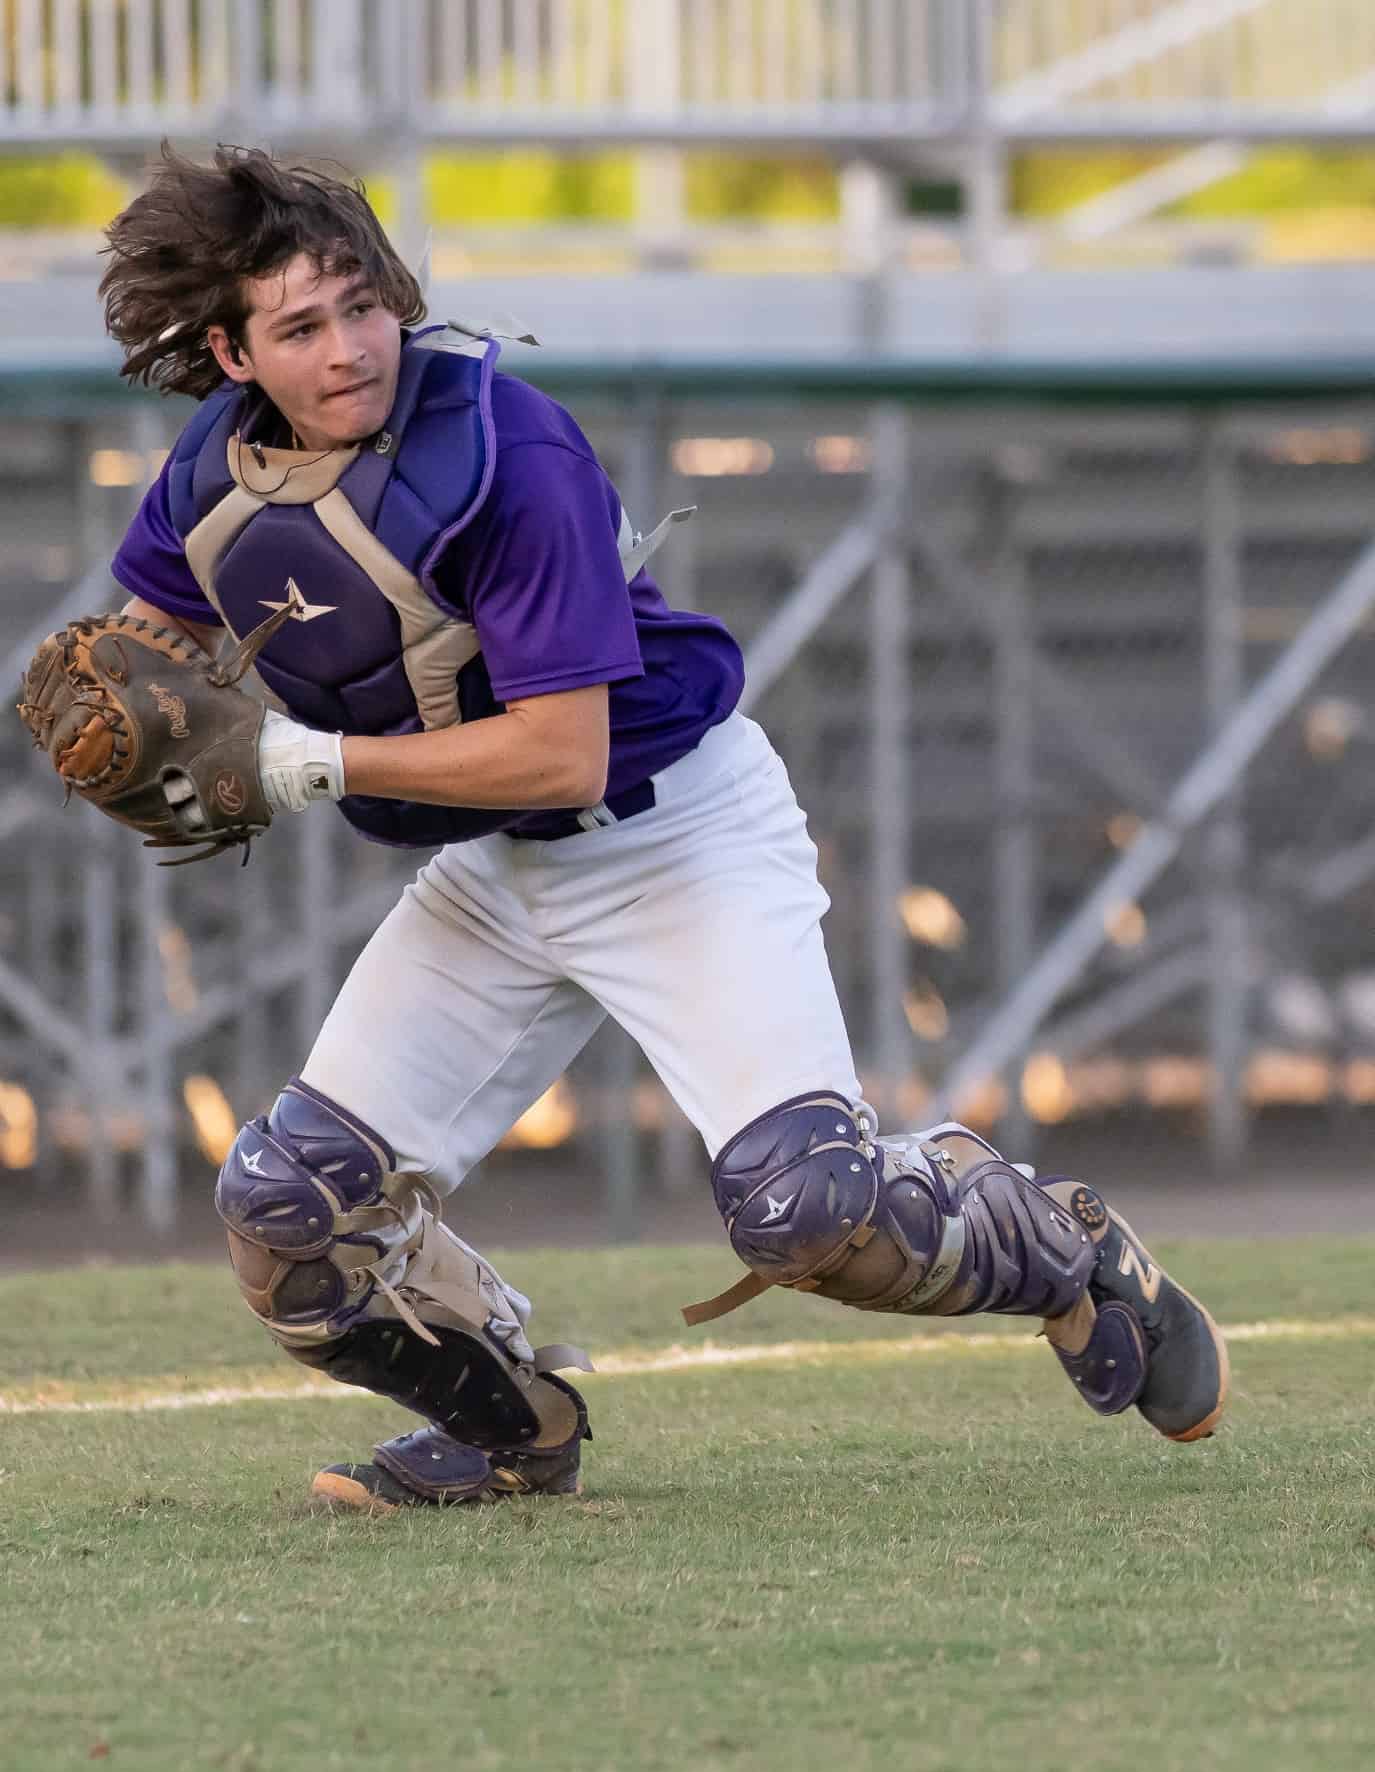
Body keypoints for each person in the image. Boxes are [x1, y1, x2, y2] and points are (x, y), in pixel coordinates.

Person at [98, 145, 1227, 1514]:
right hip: (494, 874)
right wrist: (116, 721)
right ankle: (512, 1425)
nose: (349, 350)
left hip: (672, 829)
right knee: (289, 1223)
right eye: (300, 327)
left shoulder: (505, 453)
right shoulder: (211, 475)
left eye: (364, 304)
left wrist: (300, 764)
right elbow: (140, 652)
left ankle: (1063, 1245)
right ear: (229, 350)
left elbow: (559, 748)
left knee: (809, 1215)